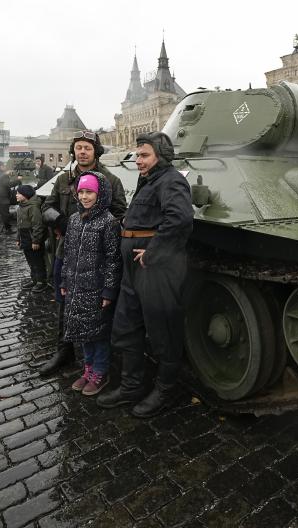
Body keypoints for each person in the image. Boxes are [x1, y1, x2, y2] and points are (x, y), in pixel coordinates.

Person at [98, 132, 193, 417]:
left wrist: (152, 253)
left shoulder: (172, 179)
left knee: (163, 331)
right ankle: (131, 387)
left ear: (160, 157)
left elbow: (180, 219)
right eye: (137, 155)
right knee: (127, 325)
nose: (137, 160)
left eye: (144, 155)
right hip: (134, 269)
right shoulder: (149, 180)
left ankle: (165, 391)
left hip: (155, 268)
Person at [38, 130, 126, 376]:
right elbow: (47, 207)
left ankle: (98, 362)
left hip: (95, 258)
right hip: (66, 252)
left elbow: (120, 213)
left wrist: (97, 228)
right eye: (78, 148)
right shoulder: (62, 180)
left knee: (97, 309)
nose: (83, 152)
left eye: (87, 147)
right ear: (73, 151)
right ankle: (64, 350)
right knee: (65, 301)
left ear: (95, 150)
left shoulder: (111, 180)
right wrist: (62, 223)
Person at [61, 173, 122, 396]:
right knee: (83, 331)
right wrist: (65, 280)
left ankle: (100, 371)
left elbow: (113, 259)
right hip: (77, 286)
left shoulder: (108, 222)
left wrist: (109, 289)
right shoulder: (75, 220)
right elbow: (68, 253)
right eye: (82, 192)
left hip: (96, 288)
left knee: (99, 334)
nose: (85, 196)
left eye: (90, 192)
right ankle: (88, 369)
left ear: (100, 193)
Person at [15, 185, 48, 292]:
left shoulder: (33, 207)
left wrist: (36, 241)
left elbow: (37, 225)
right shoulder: (21, 206)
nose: (16, 195)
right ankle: (34, 279)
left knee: (37, 261)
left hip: (32, 238)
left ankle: (41, 281)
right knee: (30, 261)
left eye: (19, 193)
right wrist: (18, 238)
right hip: (25, 237)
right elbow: (19, 224)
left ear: (25, 195)